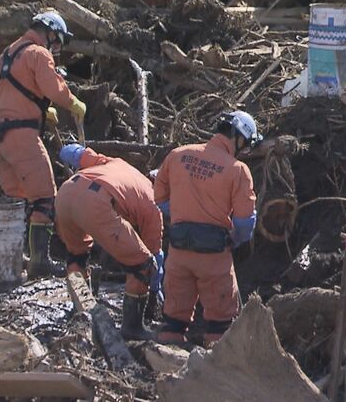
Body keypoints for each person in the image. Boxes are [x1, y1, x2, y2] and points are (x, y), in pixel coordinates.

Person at [0, 11, 86, 278]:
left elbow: (13, 92)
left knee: (16, 198)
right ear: (51, 30)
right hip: (23, 135)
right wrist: (72, 102)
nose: (55, 48)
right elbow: (54, 89)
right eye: (57, 41)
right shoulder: (38, 53)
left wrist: (41, 110)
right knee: (44, 198)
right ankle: (39, 263)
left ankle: (12, 258)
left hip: (1, 136)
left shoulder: (7, 53)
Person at [153, 111, 261, 346]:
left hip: (179, 251)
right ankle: (217, 371)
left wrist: (185, 213)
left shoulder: (177, 155)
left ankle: (162, 370)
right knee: (220, 327)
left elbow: (159, 199)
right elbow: (244, 222)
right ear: (239, 138)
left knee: (173, 321)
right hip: (214, 258)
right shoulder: (238, 170)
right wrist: (234, 239)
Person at [56, 144, 164, 340]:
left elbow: (81, 155)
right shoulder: (153, 202)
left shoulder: (120, 166)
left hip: (66, 192)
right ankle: (133, 327)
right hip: (96, 202)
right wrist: (154, 291)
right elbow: (153, 256)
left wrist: (69, 150)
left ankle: (81, 311)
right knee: (143, 266)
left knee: (77, 255)